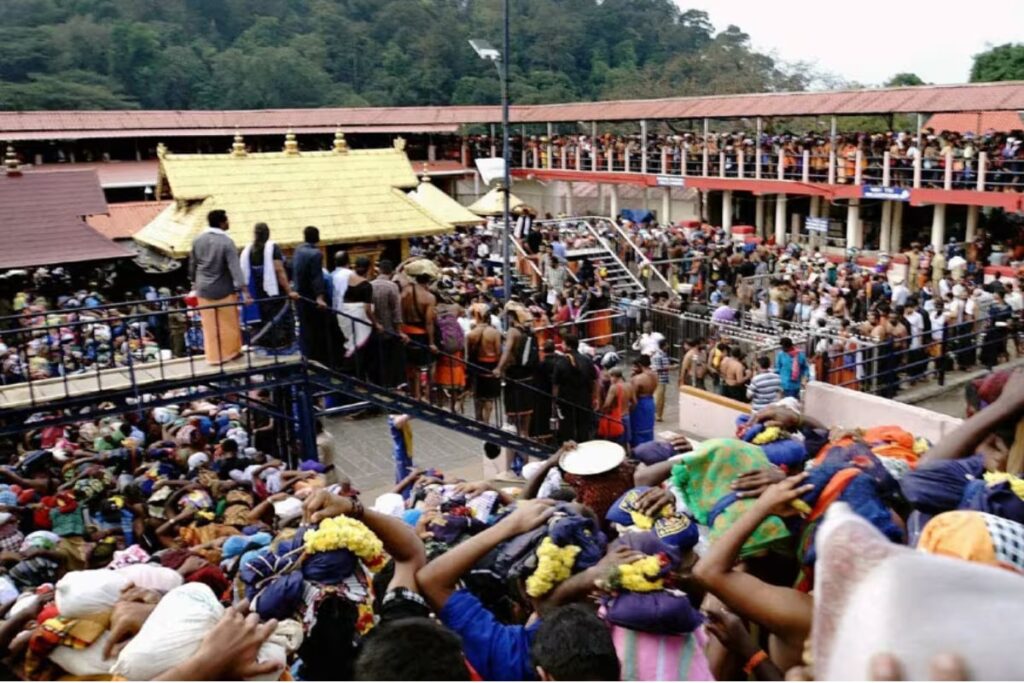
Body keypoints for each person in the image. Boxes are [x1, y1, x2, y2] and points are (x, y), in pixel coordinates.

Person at [188, 209, 250, 365]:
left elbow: (192, 265)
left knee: (209, 326)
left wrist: (193, 283)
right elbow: (235, 269)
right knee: (229, 324)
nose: (229, 222)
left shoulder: (197, 240)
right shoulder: (227, 242)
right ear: (222, 223)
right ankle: (231, 353)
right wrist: (245, 291)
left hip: (203, 289)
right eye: (227, 220)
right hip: (223, 289)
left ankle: (214, 357)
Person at [239, 223, 297, 353]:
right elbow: (279, 270)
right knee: (278, 322)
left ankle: (264, 348)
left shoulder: (247, 251)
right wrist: (289, 291)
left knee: (262, 324)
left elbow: (242, 274)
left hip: (258, 294)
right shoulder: (272, 248)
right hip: (273, 294)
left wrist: (246, 293)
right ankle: (283, 349)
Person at [292, 226, 329, 365]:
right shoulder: (315, 254)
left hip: (299, 294)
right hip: (310, 296)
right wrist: (320, 297)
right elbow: (316, 277)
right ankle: (315, 358)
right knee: (314, 329)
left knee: (304, 326)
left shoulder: (298, 250)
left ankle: (305, 354)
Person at [552, 333, 598, 443]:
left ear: (568, 346)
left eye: (563, 343)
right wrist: (595, 398)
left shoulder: (561, 362)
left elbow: (556, 385)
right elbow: (595, 380)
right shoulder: (587, 360)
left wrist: (554, 402)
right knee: (584, 429)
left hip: (567, 402)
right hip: (584, 400)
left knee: (568, 431)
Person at [400, 273, 438, 401]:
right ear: (428, 281)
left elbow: (399, 312)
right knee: (426, 365)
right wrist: (432, 342)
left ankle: (413, 394)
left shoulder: (405, 292)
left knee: (410, 366)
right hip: (420, 334)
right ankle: (424, 395)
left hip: (405, 332)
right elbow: (429, 322)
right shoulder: (429, 297)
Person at [369, 259, 406, 388]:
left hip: (373, 329)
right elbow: (396, 311)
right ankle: (390, 385)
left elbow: (368, 309)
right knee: (390, 361)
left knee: (377, 360)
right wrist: (399, 331)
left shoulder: (370, 285)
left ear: (379, 270)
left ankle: (378, 385)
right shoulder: (392, 286)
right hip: (389, 331)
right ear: (391, 272)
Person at [340, 256, 377, 372]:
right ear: (368, 268)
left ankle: (348, 369)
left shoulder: (346, 279)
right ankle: (355, 372)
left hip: (343, 312)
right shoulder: (366, 286)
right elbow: (367, 309)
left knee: (350, 341)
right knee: (358, 343)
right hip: (359, 316)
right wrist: (375, 323)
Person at [466, 305, 503, 424]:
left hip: (477, 366)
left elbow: (467, 354)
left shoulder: (471, 334)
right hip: (491, 365)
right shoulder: (495, 333)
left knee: (478, 395)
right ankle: (486, 421)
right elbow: (498, 352)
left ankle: (478, 418)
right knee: (489, 398)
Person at [629, 355, 658, 447]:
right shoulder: (655, 375)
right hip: (650, 402)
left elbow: (632, 399)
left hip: (640, 405)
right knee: (648, 429)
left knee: (638, 430)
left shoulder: (637, 379)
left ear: (640, 365)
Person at [650, 338, 676, 422]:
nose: (668, 346)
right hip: (659, 379)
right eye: (667, 345)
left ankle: (659, 415)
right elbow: (658, 368)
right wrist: (671, 367)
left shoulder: (663, 354)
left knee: (661, 398)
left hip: (663, 378)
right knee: (659, 398)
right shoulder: (658, 355)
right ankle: (657, 415)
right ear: (663, 345)